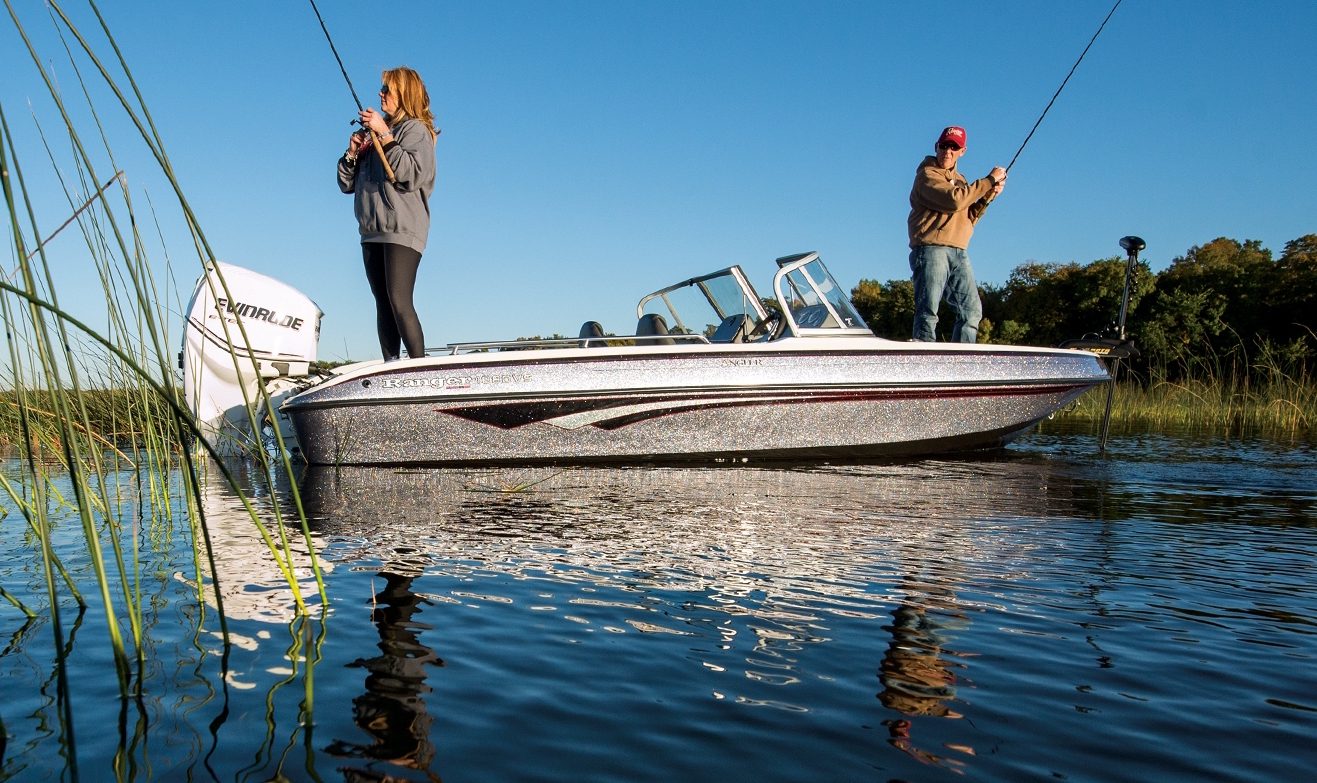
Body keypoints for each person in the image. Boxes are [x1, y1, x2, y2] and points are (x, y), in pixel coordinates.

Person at [338, 66, 439, 361]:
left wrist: (384, 134)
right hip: (371, 231)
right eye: (381, 89)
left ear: (403, 94)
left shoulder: (415, 130)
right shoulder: (375, 135)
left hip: (402, 228)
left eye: (387, 90)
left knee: (399, 299)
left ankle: (419, 368)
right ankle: (391, 368)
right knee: (383, 303)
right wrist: (353, 152)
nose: (381, 94)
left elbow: (411, 173)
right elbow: (346, 184)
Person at [906, 126, 1005, 342]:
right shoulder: (926, 176)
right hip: (931, 251)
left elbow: (968, 217)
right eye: (944, 146)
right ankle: (923, 362)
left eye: (954, 147)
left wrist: (988, 196)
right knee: (928, 313)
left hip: (959, 252)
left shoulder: (961, 181)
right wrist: (988, 181)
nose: (947, 151)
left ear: (962, 151)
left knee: (971, 312)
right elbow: (955, 201)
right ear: (936, 147)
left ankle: (962, 360)